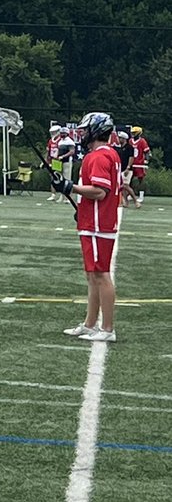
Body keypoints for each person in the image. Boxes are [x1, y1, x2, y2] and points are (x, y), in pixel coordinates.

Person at [58, 111, 122, 343]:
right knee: (92, 275)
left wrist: (71, 187)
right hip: (94, 221)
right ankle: (90, 324)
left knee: (100, 274)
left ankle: (107, 328)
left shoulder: (98, 157)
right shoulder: (110, 155)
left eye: (85, 130)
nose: (82, 134)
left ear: (95, 131)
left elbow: (99, 191)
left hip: (98, 223)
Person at [129, 125, 151, 204]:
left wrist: (146, 160)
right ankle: (130, 194)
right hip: (131, 162)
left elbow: (147, 151)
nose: (132, 134)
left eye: (134, 133)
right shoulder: (130, 141)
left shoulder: (142, 141)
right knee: (129, 179)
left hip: (140, 163)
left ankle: (141, 195)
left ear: (138, 133)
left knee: (140, 179)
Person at [45, 124, 62, 202]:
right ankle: (53, 194)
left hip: (58, 160)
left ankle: (62, 195)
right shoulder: (51, 141)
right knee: (52, 177)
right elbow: (48, 151)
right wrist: (46, 160)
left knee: (58, 177)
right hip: (51, 160)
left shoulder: (61, 140)